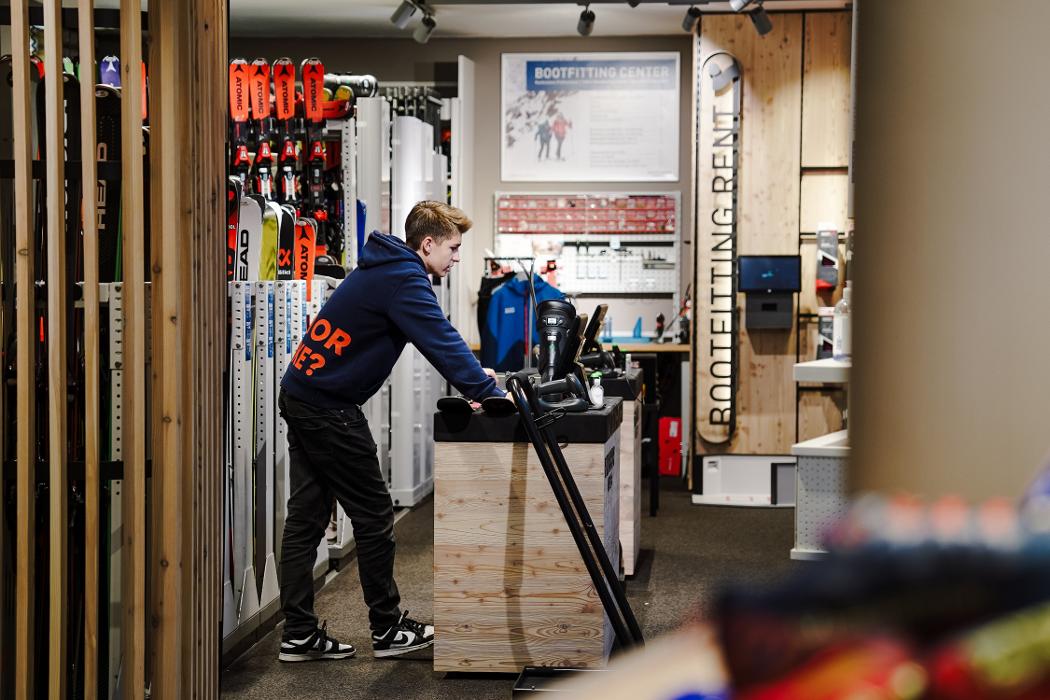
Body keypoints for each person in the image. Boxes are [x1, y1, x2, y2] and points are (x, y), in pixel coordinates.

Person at [276, 201, 508, 662]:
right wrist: (488, 391)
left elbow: (436, 339)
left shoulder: (387, 268)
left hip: (303, 393)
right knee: (375, 514)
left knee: (306, 518)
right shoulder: (405, 278)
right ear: (428, 244)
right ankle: (387, 629)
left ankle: (298, 633)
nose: (457, 257)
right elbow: (439, 338)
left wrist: (475, 379)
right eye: (453, 247)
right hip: (328, 406)